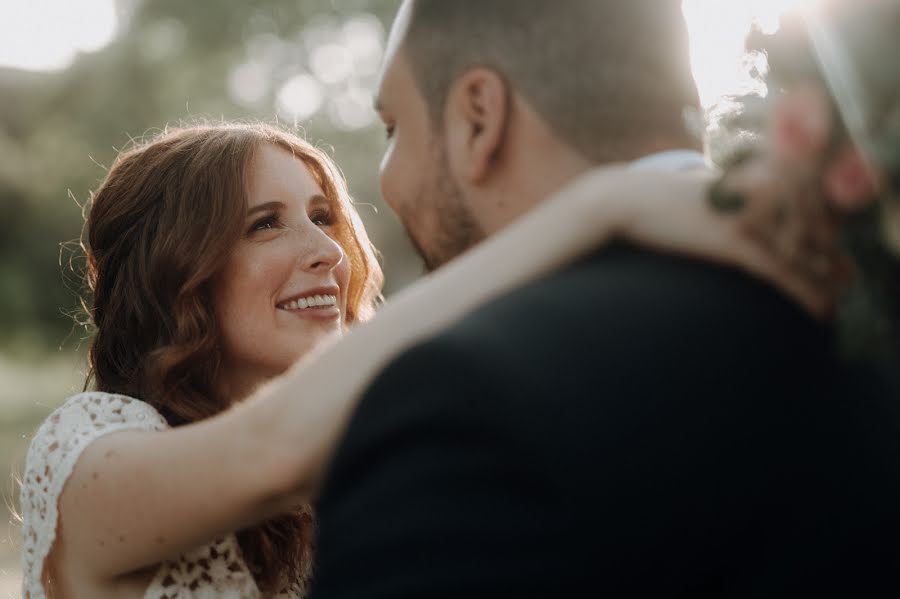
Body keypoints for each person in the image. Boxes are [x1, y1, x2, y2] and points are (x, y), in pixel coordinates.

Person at [19, 117, 814, 598]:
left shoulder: (364, 471)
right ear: (175, 267)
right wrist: (601, 208)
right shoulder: (86, 448)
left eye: (325, 214)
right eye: (265, 223)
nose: (327, 251)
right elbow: (269, 451)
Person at [307, 1, 900, 597]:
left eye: (393, 128)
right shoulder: (855, 297)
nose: (385, 177)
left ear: (479, 117)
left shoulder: (461, 396)